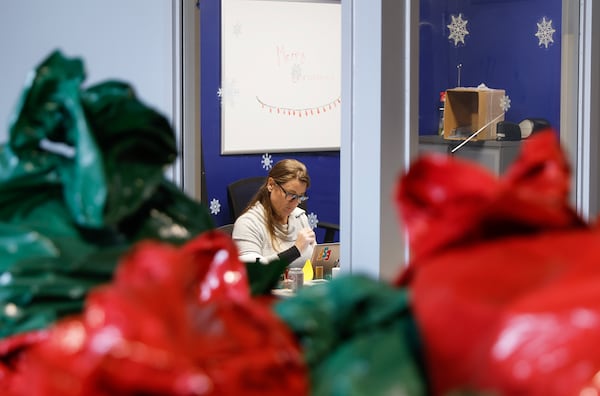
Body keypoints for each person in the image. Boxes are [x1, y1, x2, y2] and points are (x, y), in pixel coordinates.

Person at [232, 159, 316, 268]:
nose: (295, 202)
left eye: (300, 196)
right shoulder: (248, 223)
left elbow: (314, 262)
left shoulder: (300, 217)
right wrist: (295, 250)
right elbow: (252, 271)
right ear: (271, 185)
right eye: (291, 194)